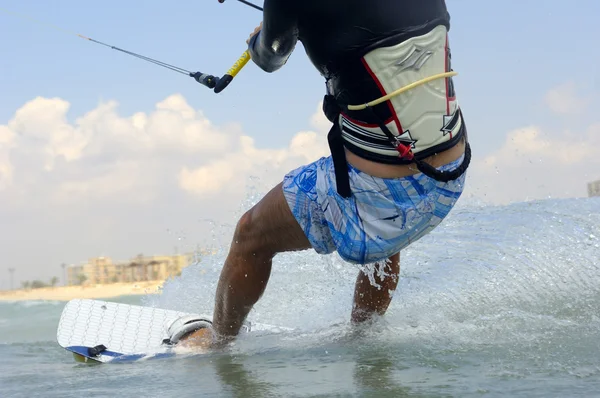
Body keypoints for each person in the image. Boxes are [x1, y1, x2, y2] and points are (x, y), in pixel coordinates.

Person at [173, 0, 471, 347]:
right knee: (384, 172)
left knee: (250, 235)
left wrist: (269, 36)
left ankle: (217, 341)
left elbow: (271, 56)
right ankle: (365, 335)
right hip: (448, 176)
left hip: (379, 191)